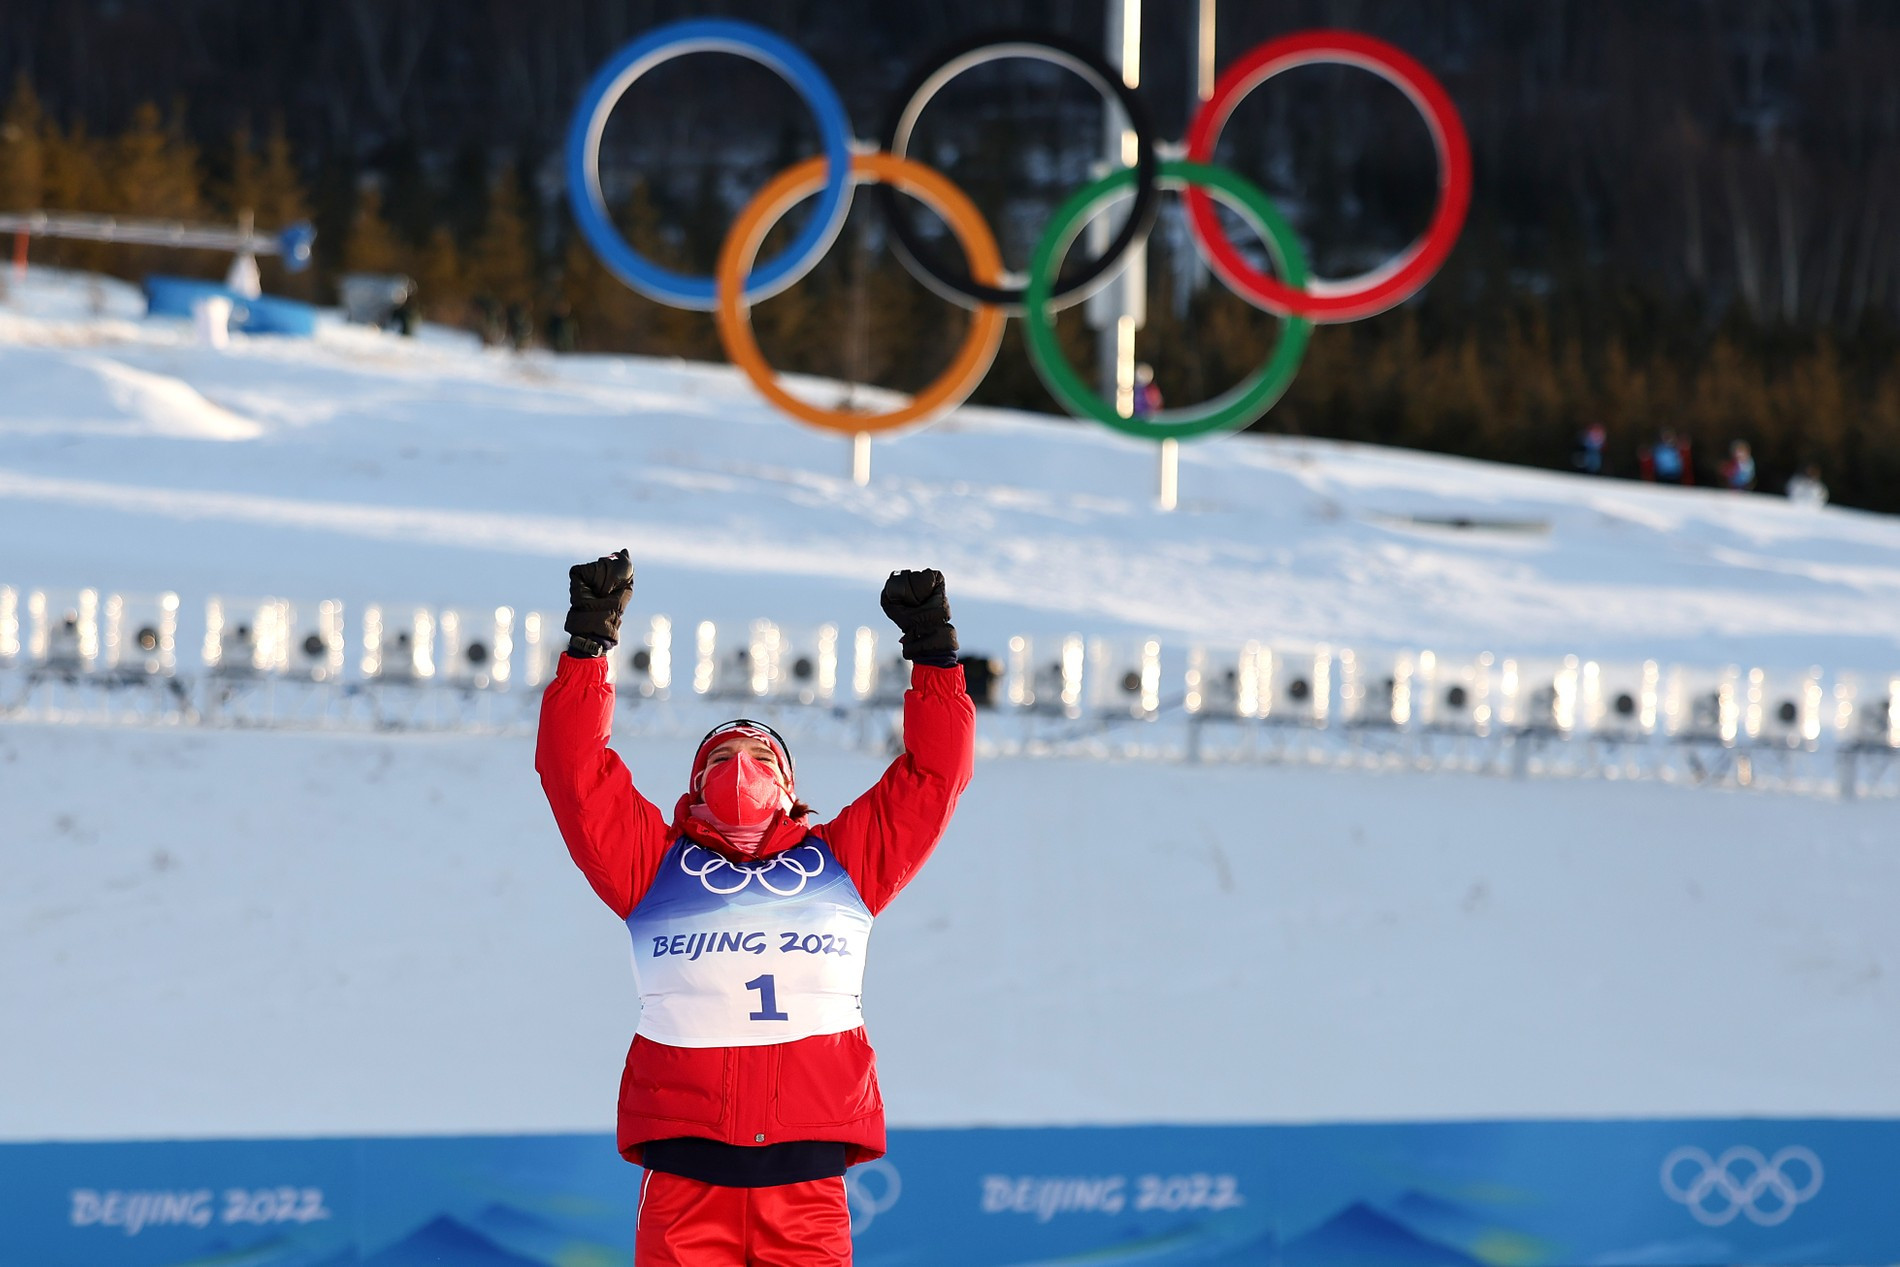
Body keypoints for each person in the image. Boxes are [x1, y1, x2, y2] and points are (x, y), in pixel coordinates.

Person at [537, 550, 975, 1265]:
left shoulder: (844, 864)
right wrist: (589, 648)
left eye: (761, 758)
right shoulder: (652, 864)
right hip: (687, 1179)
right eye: (719, 759)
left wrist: (934, 656)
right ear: (694, 785)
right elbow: (574, 772)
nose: (740, 770)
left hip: (803, 1186)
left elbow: (935, 777)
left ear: (790, 786)